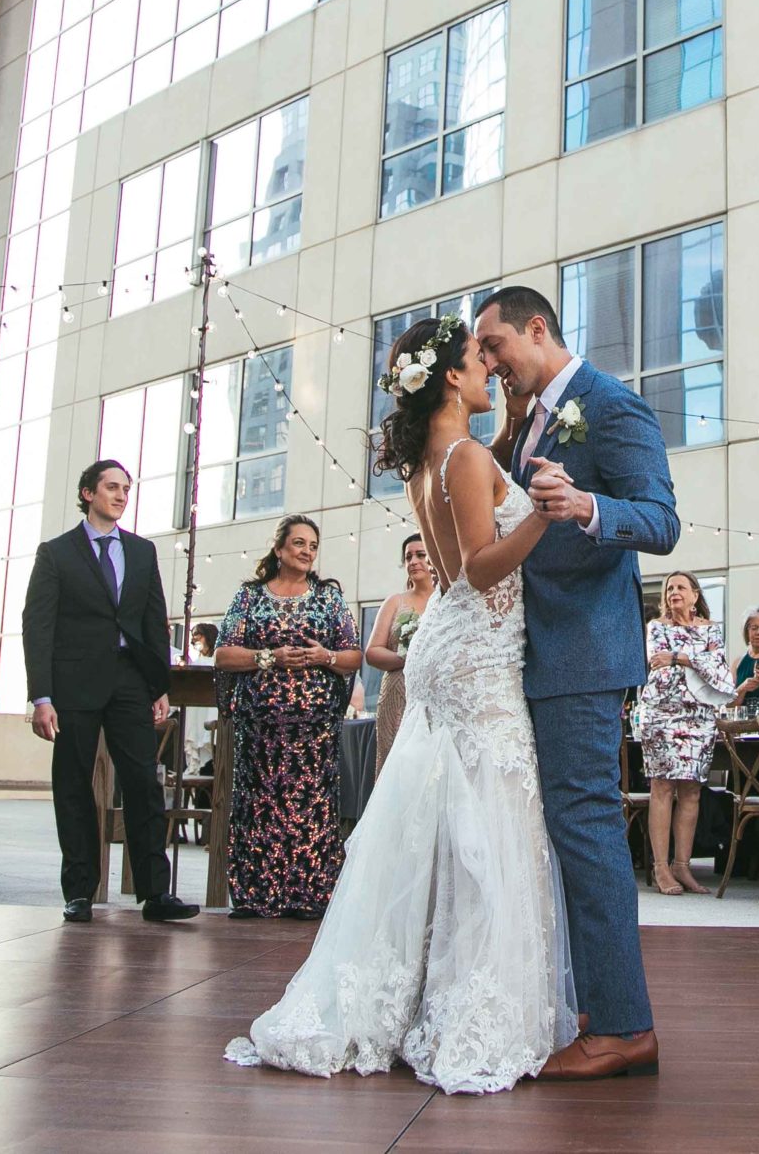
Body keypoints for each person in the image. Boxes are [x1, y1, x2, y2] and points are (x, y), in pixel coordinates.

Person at [228, 313, 574, 1092]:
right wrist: (546, 518)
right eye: (479, 358)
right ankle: (474, 1005)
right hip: (475, 649)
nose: (491, 367)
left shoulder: (438, 455)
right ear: (450, 376)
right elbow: (482, 567)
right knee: (489, 815)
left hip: (461, 644)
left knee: (454, 816)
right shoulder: (462, 454)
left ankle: (430, 985)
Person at [478, 283, 676, 1081]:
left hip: (585, 651)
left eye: (495, 346)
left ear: (537, 328)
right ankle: (597, 996)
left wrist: (589, 503)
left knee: (589, 826)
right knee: (561, 830)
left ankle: (625, 1026)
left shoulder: (612, 404)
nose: (489, 364)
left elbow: (660, 521)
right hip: (534, 649)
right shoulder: (522, 419)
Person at [21, 460, 188, 924]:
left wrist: (159, 684)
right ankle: (79, 892)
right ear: (87, 492)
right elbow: (37, 626)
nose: (120, 495)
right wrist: (42, 696)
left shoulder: (141, 551)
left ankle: (155, 893)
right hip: (73, 683)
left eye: (126, 489)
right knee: (73, 784)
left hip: (130, 679)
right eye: (111, 487)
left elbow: (154, 620)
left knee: (143, 782)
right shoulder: (55, 553)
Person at [214, 514, 360, 920]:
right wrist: (269, 657)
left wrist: (324, 656)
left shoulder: (329, 598)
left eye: (313, 545)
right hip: (260, 729)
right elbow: (224, 654)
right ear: (279, 550)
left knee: (309, 808)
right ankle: (254, 894)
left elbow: (353, 656)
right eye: (298, 543)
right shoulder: (250, 597)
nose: (307, 551)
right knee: (258, 806)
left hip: (314, 731)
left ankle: (309, 894)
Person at [639, 571, 732, 895]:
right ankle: (661, 868)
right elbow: (658, 668)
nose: (673, 592)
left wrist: (679, 657)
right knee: (663, 787)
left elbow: (719, 671)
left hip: (700, 718)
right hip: (662, 715)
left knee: (692, 790)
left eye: (680, 587)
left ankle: (683, 866)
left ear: (695, 595)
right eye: (669, 588)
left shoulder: (712, 630)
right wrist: (695, 662)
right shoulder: (657, 628)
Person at [366, 532, 436, 777]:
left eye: (420, 555)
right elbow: (372, 652)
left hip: (436, 693)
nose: (413, 561)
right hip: (397, 692)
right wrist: (407, 659)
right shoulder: (395, 601)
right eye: (408, 557)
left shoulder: (446, 600)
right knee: (395, 767)